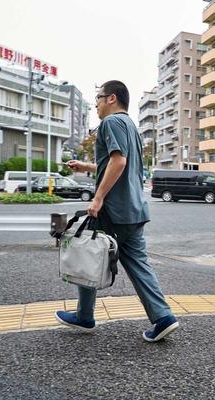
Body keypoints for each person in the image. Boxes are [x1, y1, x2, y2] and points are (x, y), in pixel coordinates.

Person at [55, 80, 178, 342]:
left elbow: (118, 161)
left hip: (114, 209)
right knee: (138, 264)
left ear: (111, 98)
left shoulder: (111, 123)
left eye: (98, 99)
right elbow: (117, 163)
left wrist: (97, 198)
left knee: (88, 252)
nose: (96, 105)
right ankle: (163, 317)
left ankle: (84, 316)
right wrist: (87, 167)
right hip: (134, 209)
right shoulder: (131, 126)